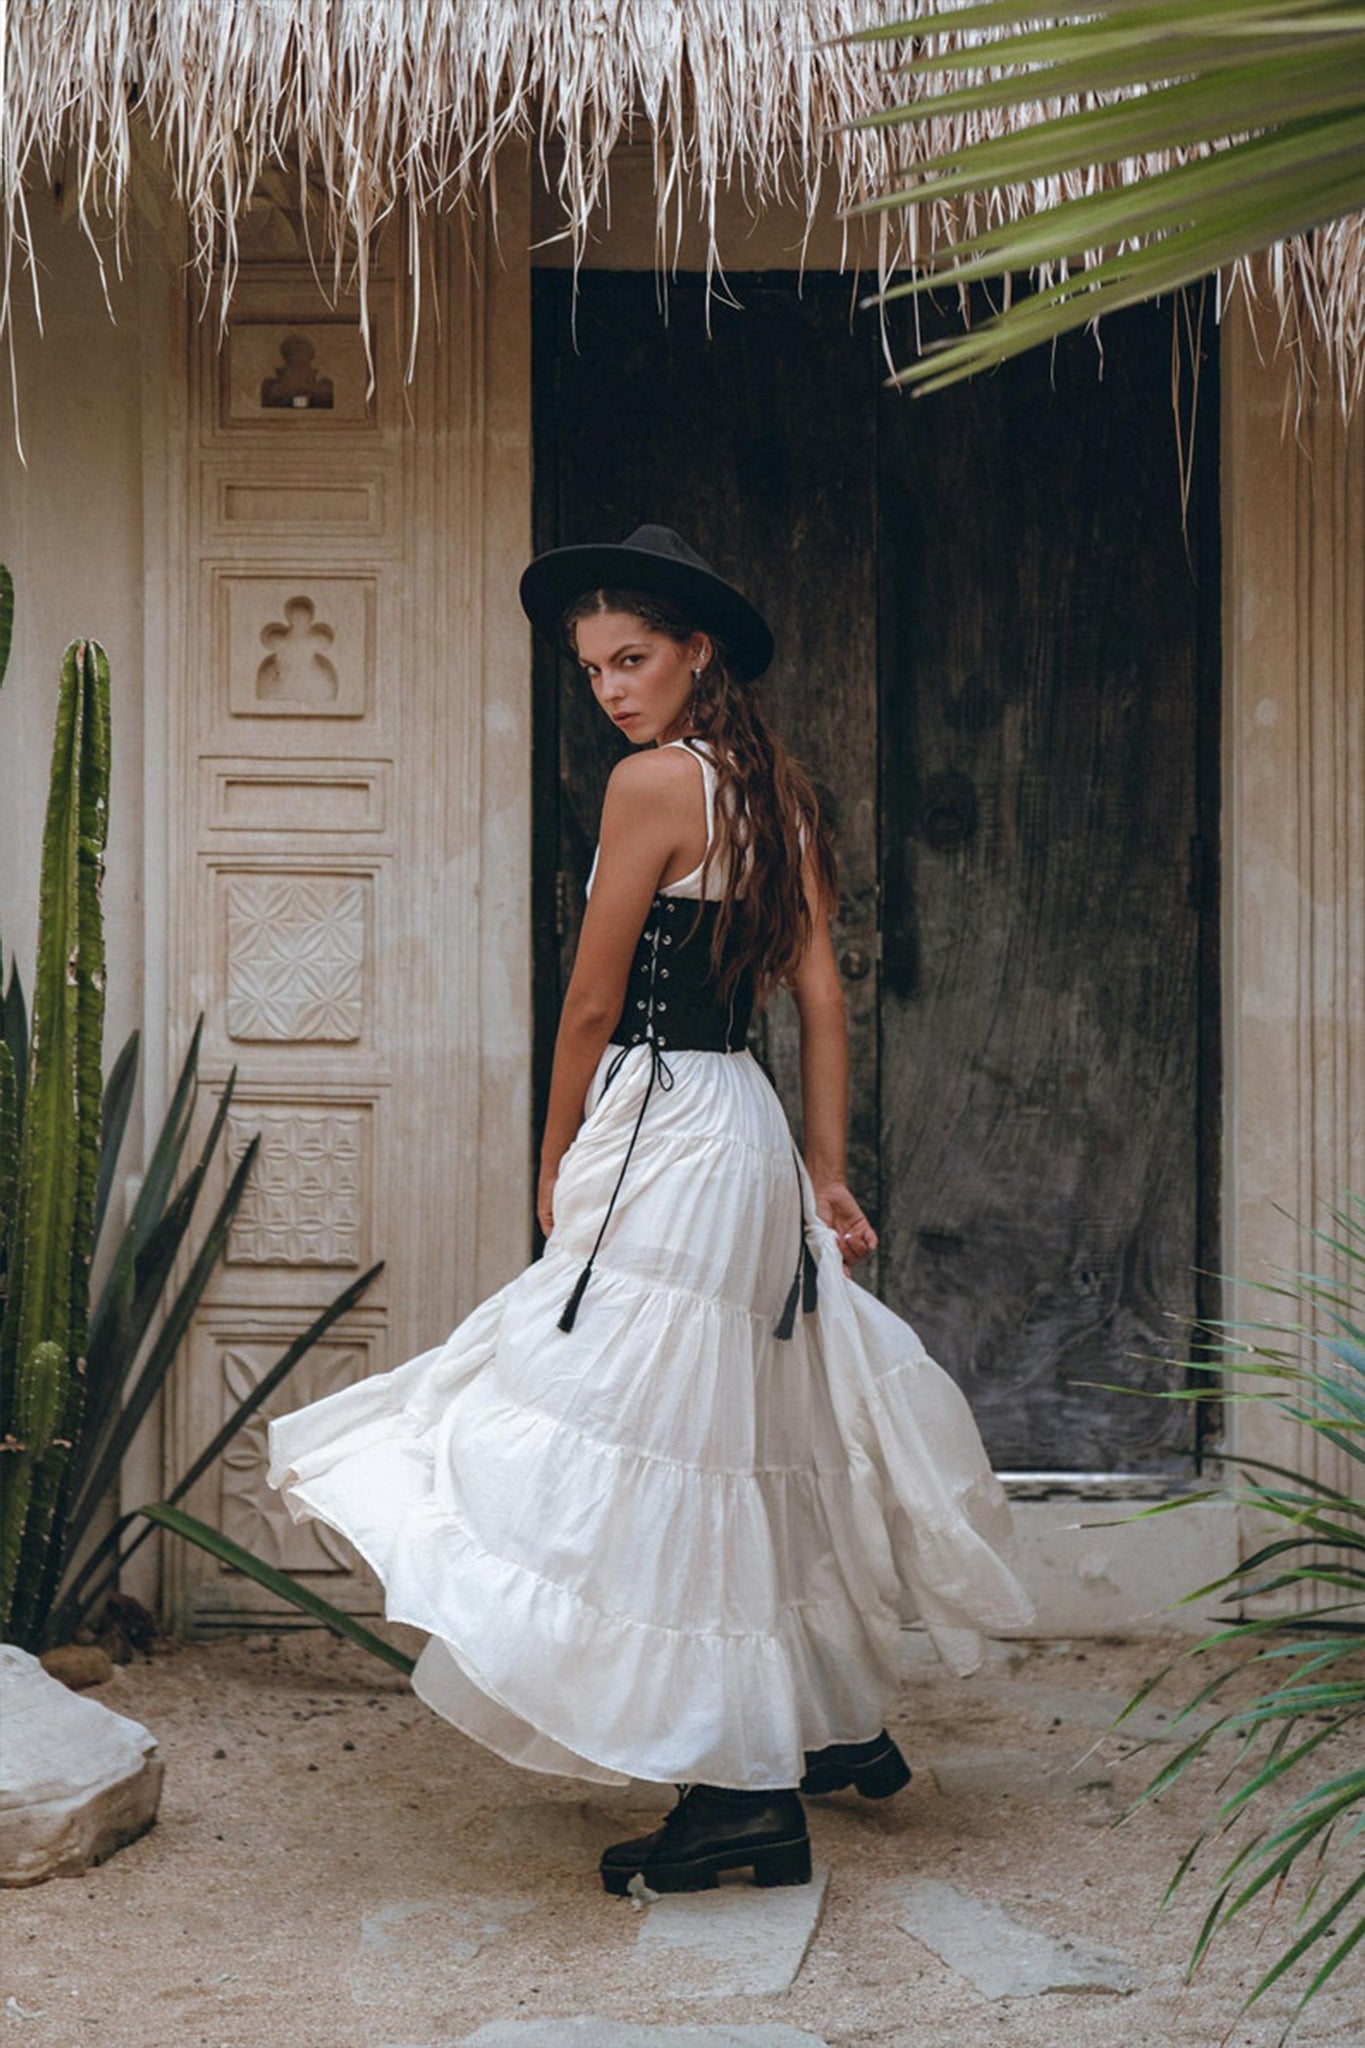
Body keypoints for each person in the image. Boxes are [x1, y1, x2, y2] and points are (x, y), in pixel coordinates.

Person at [266, 524, 1034, 1897]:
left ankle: (736, 1793)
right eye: (594, 670)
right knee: (729, 1435)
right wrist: (824, 1164)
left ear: (698, 653)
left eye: (633, 659)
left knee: (644, 1437)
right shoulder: (770, 786)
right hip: (737, 1128)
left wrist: (553, 1154)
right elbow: (815, 997)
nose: (614, 689)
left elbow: (590, 996)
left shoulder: (650, 785)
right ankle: (825, 1730)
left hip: (661, 1128)